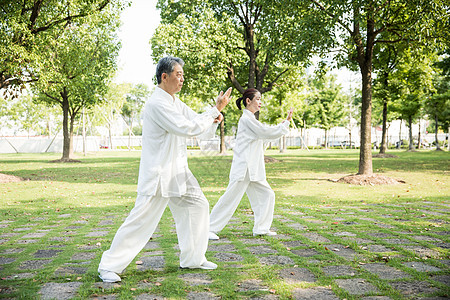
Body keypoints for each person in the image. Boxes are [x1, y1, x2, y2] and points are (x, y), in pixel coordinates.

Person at [98, 56, 232, 283]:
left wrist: (214, 117)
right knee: (141, 221)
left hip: (178, 172)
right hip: (159, 173)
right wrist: (214, 111)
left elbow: (197, 123)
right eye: (178, 75)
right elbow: (186, 127)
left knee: (198, 205)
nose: (182, 80)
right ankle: (108, 266)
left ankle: (193, 259)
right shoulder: (157, 103)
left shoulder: (174, 102)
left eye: (182, 76)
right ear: (164, 76)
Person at [209, 88, 293, 240]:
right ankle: (209, 228)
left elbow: (263, 136)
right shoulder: (247, 120)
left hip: (251, 169)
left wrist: (280, 127)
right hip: (244, 168)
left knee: (267, 195)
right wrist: (284, 125)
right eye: (258, 99)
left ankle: (261, 228)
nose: (260, 102)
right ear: (248, 101)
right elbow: (265, 132)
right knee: (230, 199)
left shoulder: (251, 120)